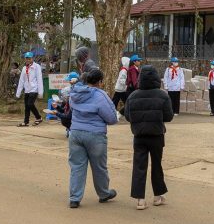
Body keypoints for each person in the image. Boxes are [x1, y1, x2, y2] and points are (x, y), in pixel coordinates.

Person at [123, 64, 173, 210]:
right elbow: (169, 116)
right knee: (157, 165)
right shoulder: (163, 95)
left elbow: (127, 116)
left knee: (139, 166)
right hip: (156, 135)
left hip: (139, 136)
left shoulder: (132, 96)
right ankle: (157, 196)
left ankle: (140, 199)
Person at [67, 67, 118, 208]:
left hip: (75, 133)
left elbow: (71, 108)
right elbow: (111, 118)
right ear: (99, 82)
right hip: (95, 135)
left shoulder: (75, 93)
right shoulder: (100, 95)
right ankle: (103, 193)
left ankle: (75, 198)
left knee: (77, 166)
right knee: (99, 167)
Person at [15, 51, 44, 127]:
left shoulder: (37, 67)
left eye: (29, 58)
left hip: (34, 89)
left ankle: (39, 117)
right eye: (26, 58)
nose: (28, 60)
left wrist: (40, 92)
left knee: (30, 104)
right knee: (26, 106)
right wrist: (18, 93)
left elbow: (39, 79)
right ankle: (26, 122)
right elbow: (21, 81)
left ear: (32, 58)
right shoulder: (24, 68)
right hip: (27, 90)